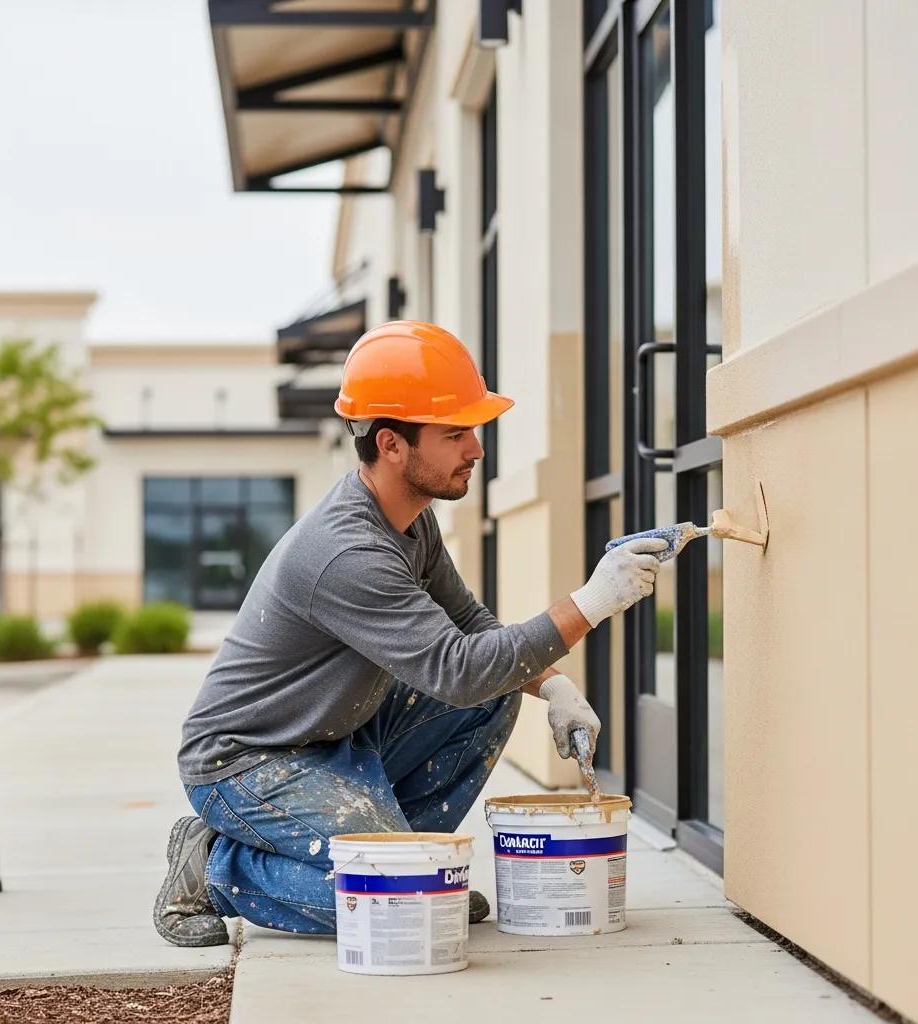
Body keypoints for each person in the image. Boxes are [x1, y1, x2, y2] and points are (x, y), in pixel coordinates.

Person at [153, 321, 665, 946]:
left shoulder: (411, 522)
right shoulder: (348, 552)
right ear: (392, 444)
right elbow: (460, 670)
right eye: (455, 434)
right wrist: (591, 603)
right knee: (403, 902)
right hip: (246, 759)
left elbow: (471, 630)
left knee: (496, 693)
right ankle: (215, 865)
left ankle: (409, 859)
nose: (476, 449)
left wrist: (554, 684)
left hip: (335, 736)